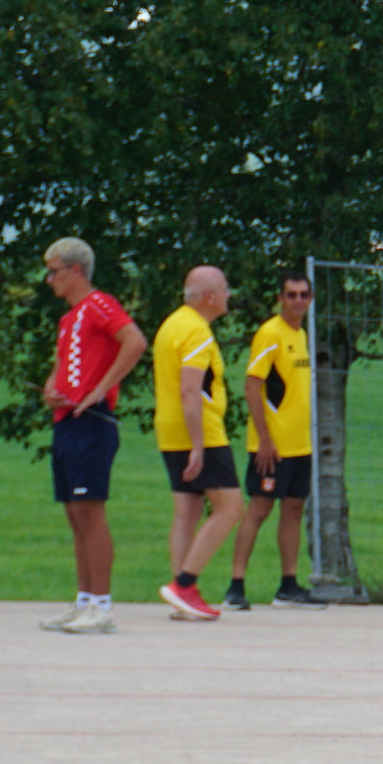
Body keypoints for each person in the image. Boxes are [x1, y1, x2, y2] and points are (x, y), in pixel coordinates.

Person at [36, 240, 147, 633]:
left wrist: (100, 389)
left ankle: (101, 606)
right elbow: (61, 366)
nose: (49, 279)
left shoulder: (99, 305)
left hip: (92, 421)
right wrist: (51, 389)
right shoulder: (69, 319)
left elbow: (135, 341)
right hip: (67, 420)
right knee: (74, 514)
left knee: (90, 512)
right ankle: (83, 601)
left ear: (76, 270)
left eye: (54, 271)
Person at [226, 274, 328, 608]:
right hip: (272, 445)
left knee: (294, 508)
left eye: (303, 295)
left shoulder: (300, 335)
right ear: (280, 298)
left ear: (310, 299)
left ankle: (288, 586)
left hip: (300, 444)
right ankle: (235, 586)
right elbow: (252, 386)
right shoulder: (270, 333)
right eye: (291, 295)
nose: (298, 301)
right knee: (259, 508)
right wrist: (265, 440)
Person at [152, 266, 243, 623]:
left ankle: (181, 597)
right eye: (225, 289)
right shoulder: (197, 332)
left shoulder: (172, 324)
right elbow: (190, 391)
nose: (228, 295)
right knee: (230, 507)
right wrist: (199, 445)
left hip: (169, 429)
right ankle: (184, 586)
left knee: (187, 510)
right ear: (209, 297)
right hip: (199, 430)